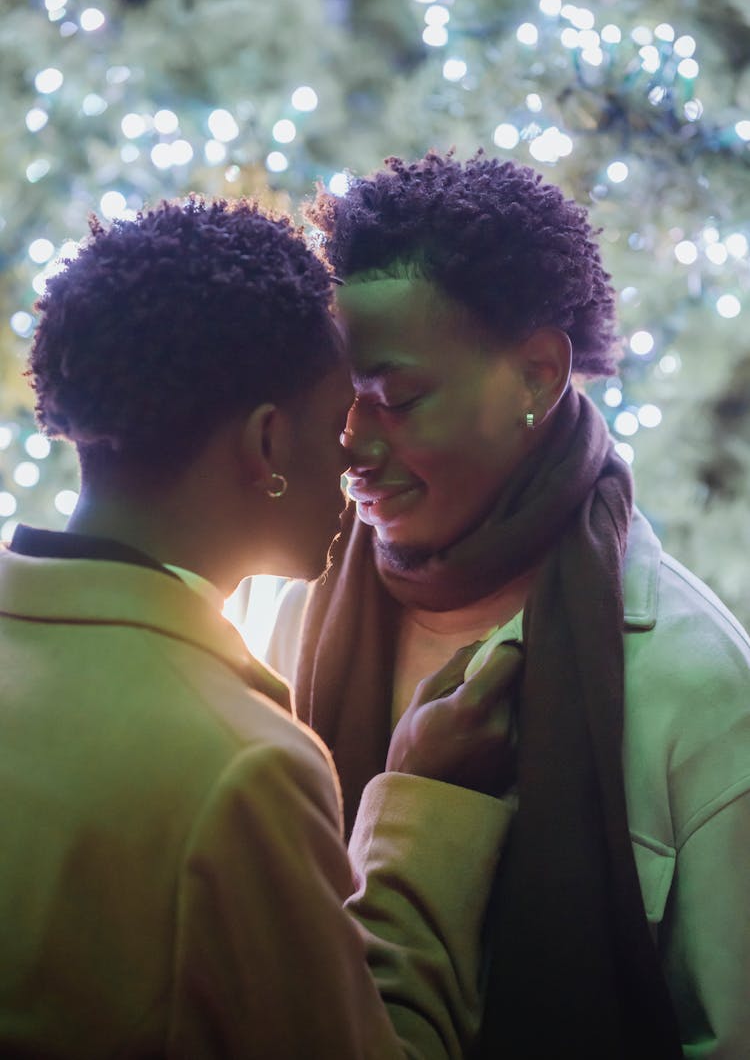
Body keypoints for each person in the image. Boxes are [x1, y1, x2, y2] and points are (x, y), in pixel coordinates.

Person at [0, 196, 522, 1058]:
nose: (358, 458)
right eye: (337, 423)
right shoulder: (238, 768)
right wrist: (428, 809)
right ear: (268, 445)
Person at [266, 152, 750, 1058]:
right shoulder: (288, 617)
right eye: (339, 404)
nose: (353, 447)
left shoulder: (696, 685)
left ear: (535, 373)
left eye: (396, 399)